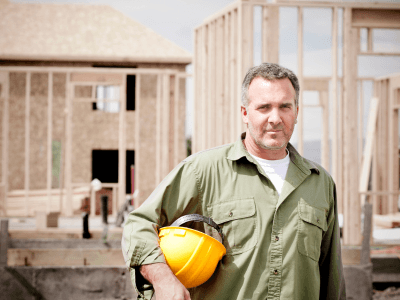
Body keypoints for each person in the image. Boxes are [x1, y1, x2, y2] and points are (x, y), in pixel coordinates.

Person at [122, 63, 346, 300]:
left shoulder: (320, 183)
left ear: (297, 112)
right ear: (245, 113)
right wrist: (164, 280)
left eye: (284, 107)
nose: (275, 118)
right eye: (264, 107)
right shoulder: (203, 171)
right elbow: (139, 224)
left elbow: (331, 276)